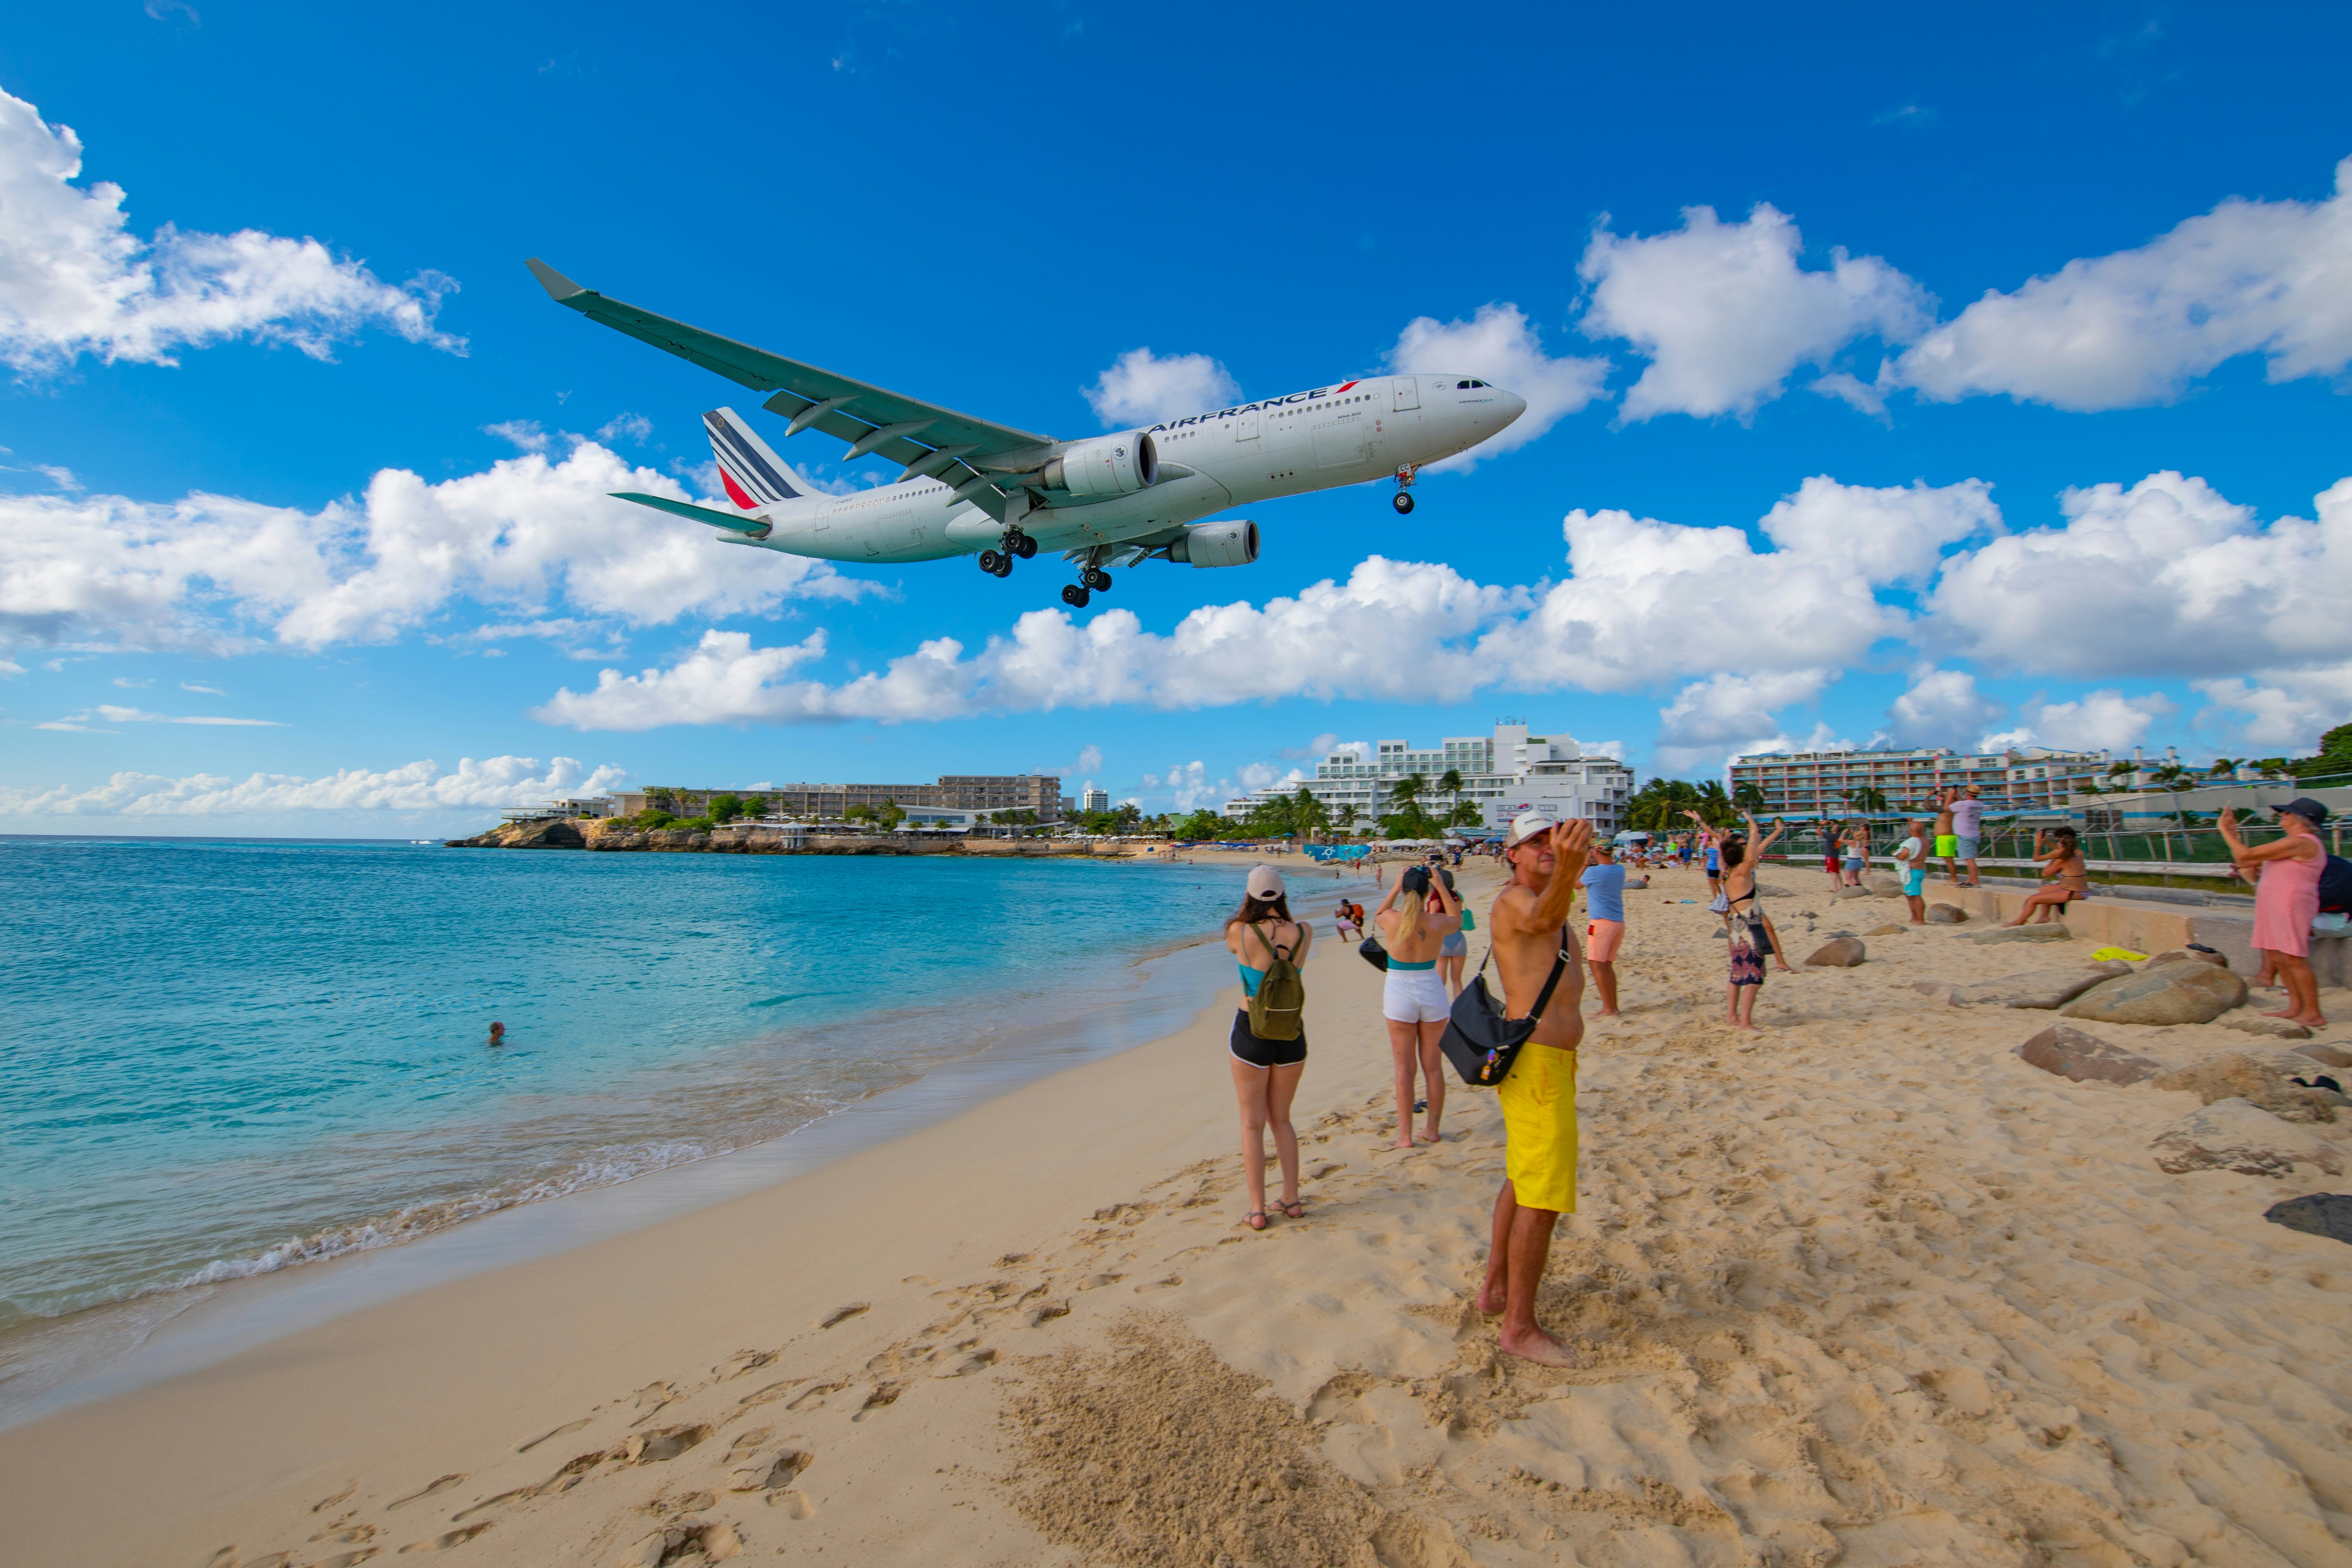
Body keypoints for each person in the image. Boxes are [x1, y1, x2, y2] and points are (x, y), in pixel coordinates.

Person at [1476, 812, 1591, 1368]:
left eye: (1552, 837)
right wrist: (1569, 866)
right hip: (1539, 1065)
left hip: (1550, 1065)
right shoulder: (1514, 901)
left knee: (1523, 1178)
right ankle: (1518, 1327)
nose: (1546, 846)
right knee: (1541, 1198)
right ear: (1512, 854)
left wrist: (1569, 871)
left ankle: (1496, 1288)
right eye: (1533, 841)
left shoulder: (1553, 903)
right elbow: (1543, 920)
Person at [1222, 866, 1314, 1229]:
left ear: (1250, 895)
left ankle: (1258, 1209)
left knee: (1251, 1123)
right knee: (1283, 1119)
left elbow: (1236, 952)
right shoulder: (1304, 932)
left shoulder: (1239, 932)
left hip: (1252, 1032)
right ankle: (1291, 1199)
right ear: (1281, 894)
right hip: (1292, 1032)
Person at [1375, 864, 1461, 1149]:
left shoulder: (1391, 919)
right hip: (1431, 991)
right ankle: (1432, 1130)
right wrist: (1440, 886)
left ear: (1404, 890)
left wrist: (1395, 886)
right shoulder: (1436, 923)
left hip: (1399, 993)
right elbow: (1456, 920)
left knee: (1404, 1069)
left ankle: (1404, 1136)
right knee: (1433, 1069)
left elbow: (1377, 915)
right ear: (1427, 892)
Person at [2222, 800, 2329, 1028]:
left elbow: (2245, 857)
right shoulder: (2293, 842)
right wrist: (2234, 834)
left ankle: (2312, 1013)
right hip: (2274, 903)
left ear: (2302, 819)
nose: (2281, 815)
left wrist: (2226, 831)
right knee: (2278, 957)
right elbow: (2249, 859)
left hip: (2290, 903)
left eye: (2286, 813)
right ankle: (2295, 1006)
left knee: (2294, 958)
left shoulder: (2303, 842)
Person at [1715, 809, 1789, 1029]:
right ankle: (1745, 1021)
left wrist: (1776, 832)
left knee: (1737, 975)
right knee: (1755, 977)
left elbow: (1757, 847)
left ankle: (1731, 1017)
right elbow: (1755, 837)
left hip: (1736, 928)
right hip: (1750, 927)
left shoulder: (1726, 875)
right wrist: (1750, 821)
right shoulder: (1741, 873)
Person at [2003, 827, 2089, 926]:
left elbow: (2045, 873)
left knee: (2033, 900)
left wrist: (2039, 846)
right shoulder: (2078, 853)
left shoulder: (2061, 860)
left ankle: (2019, 922)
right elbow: (2064, 852)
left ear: (2061, 844)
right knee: (2045, 890)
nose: (2057, 843)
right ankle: (2044, 916)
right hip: (2080, 890)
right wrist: (2049, 845)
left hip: (2073, 892)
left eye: (2058, 841)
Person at [1580, 839, 1627, 1016]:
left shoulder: (1594, 872)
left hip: (1601, 924)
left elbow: (1576, 885)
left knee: (1597, 966)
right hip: (1618, 923)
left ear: (1596, 852)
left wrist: (1585, 863)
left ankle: (1609, 1008)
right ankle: (1613, 1006)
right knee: (1607, 966)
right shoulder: (1620, 869)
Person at [1435, 867, 1476, 997]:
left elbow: (1433, 919)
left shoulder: (1435, 899)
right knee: (1457, 980)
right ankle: (1461, 1011)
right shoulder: (1457, 897)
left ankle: (1440, 1011)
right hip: (1458, 939)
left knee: (1441, 980)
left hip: (1442, 941)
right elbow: (1457, 916)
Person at [1894, 818, 1929, 923]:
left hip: (1912, 871)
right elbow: (1917, 830)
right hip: (1919, 870)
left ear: (1911, 831)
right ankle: (1915, 918)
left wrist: (1897, 855)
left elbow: (1904, 856)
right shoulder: (1925, 840)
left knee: (1915, 896)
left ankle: (1920, 920)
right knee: (1910, 895)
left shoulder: (1912, 841)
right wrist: (1911, 823)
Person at [1950, 785, 1985, 887]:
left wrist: (1951, 795)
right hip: (1973, 834)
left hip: (1965, 835)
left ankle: (1975, 881)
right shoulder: (1978, 804)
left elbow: (1947, 807)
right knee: (1970, 858)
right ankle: (1970, 879)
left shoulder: (1964, 805)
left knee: (1969, 859)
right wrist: (1958, 796)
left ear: (1968, 794)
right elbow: (1965, 805)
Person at [1932, 788, 1960, 885]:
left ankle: (1954, 879)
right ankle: (1953, 878)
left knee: (1949, 860)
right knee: (1949, 859)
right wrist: (1947, 796)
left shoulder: (1948, 808)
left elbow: (1928, 807)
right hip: (1949, 836)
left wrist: (1928, 796)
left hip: (1945, 837)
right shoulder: (1956, 806)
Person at [1840, 818, 1869, 887]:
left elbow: (1841, 840)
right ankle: (1862, 889)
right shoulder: (1862, 842)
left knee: (1848, 879)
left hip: (1852, 861)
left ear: (1856, 835)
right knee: (1856, 878)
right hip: (1859, 861)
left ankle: (1856, 891)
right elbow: (1858, 837)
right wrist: (1853, 832)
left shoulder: (1854, 843)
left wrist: (1844, 832)